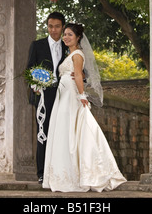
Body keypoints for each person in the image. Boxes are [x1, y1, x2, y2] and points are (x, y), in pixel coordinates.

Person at [42, 22, 127, 192]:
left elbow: (79, 75)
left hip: (71, 97)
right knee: (65, 132)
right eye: (64, 34)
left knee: (76, 131)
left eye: (69, 35)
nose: (66, 37)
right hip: (64, 97)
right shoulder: (70, 54)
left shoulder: (78, 54)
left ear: (78, 37)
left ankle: (88, 174)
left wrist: (81, 96)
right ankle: (66, 174)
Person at [27, 11, 67, 183]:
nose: (53, 30)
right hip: (43, 96)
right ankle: (42, 173)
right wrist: (35, 85)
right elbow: (30, 69)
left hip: (65, 96)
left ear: (63, 27)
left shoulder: (69, 46)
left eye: (57, 26)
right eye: (50, 26)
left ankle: (61, 171)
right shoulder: (37, 45)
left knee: (63, 133)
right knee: (43, 133)